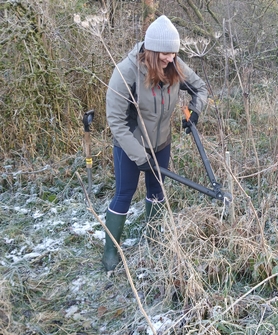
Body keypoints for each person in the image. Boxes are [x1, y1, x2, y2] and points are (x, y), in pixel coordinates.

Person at [103, 15, 208, 271]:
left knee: (156, 193)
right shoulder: (126, 72)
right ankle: (110, 253)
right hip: (129, 146)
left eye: (174, 53)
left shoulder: (174, 65)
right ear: (150, 50)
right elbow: (116, 122)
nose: (170, 58)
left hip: (161, 143)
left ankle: (152, 241)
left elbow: (200, 88)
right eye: (165, 53)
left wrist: (195, 111)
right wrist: (140, 156)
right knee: (124, 195)